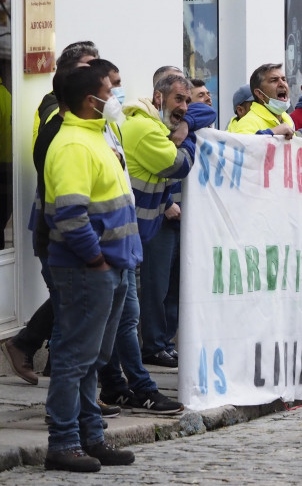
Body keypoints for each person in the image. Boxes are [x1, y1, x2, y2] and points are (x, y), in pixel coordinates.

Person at [43, 65, 140, 472]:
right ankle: (63, 442)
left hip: (112, 267)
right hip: (89, 269)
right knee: (73, 358)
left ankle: (91, 436)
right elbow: (69, 215)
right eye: (109, 90)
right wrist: (97, 260)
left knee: (93, 358)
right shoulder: (72, 146)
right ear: (91, 100)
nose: (114, 97)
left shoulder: (97, 137)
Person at [88, 60, 185, 415]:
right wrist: (94, 253)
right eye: (109, 88)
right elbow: (177, 165)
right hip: (109, 244)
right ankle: (132, 389)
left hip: (123, 240)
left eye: (117, 87)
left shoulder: (111, 127)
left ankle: (115, 387)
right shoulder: (134, 128)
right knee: (118, 322)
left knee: (120, 321)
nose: (115, 95)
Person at [2, 41, 100, 385]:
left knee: (69, 300)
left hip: (72, 222)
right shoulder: (55, 112)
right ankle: (38, 356)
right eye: (92, 67)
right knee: (71, 300)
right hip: (57, 223)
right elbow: (49, 160)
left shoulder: (86, 115)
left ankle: (41, 357)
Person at [120, 73, 206, 368]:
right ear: (158, 98)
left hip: (138, 232)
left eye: (186, 99)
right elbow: (178, 165)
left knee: (128, 310)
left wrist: (187, 125)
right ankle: (131, 373)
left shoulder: (159, 124)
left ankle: (125, 376)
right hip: (125, 233)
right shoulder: (146, 128)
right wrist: (190, 140)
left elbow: (206, 111)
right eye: (178, 99)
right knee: (129, 309)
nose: (184, 105)